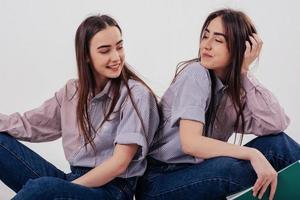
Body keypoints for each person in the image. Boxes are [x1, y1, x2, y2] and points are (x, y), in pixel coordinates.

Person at [136, 8, 300, 200]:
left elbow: (276, 124)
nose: (207, 45)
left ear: (240, 48)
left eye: (218, 40)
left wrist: (243, 71)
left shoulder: (234, 91)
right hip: (160, 181)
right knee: (229, 167)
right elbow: (191, 143)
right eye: (205, 36)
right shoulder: (196, 74)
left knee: (277, 144)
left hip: (198, 171)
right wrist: (252, 154)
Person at [0, 14, 159, 200]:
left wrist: (60, 189)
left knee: (43, 188)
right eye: (105, 50)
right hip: (75, 180)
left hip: (112, 191)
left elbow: (119, 164)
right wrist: (61, 188)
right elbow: (29, 125)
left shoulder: (136, 95)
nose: (116, 57)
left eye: (119, 46)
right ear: (86, 56)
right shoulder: (71, 92)